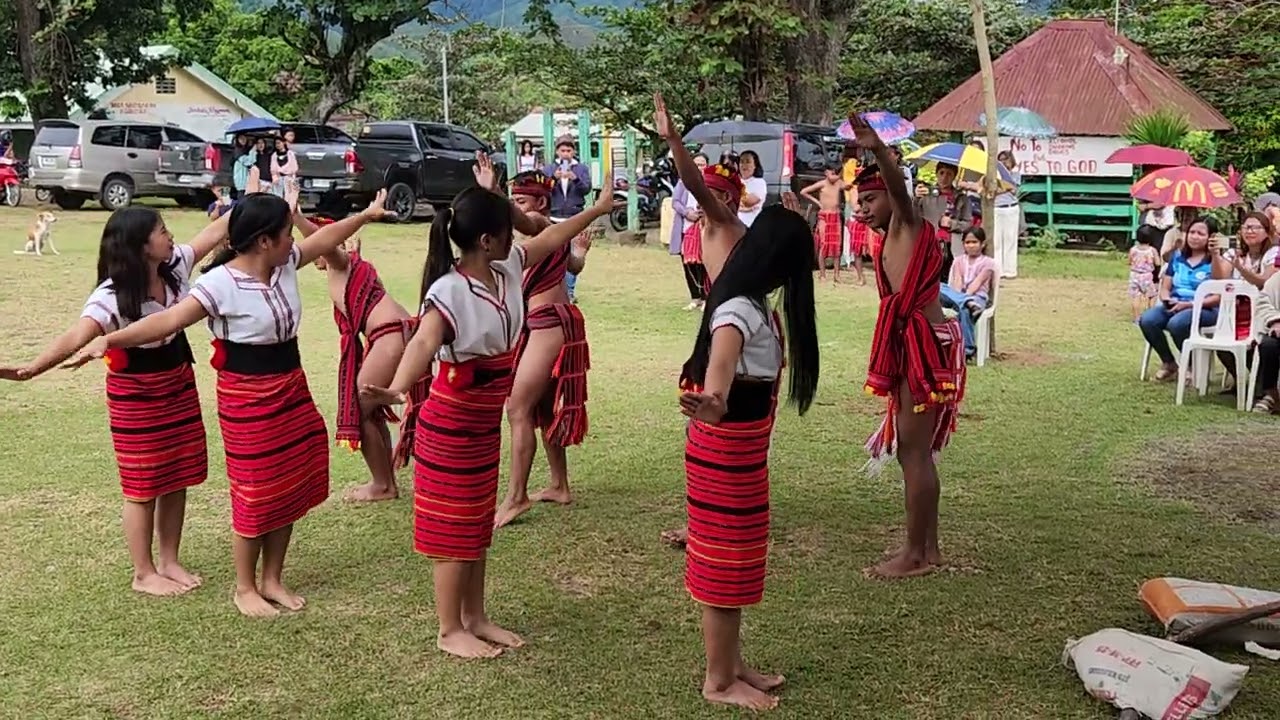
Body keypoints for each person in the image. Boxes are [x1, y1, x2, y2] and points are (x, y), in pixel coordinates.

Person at [65, 191, 395, 617]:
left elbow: (327, 236)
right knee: (256, 489)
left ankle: (272, 578)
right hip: (246, 396)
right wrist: (109, 340)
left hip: (291, 386)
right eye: (284, 233)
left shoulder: (285, 265)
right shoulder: (217, 283)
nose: (291, 241)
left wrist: (365, 215)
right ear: (263, 241)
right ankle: (245, 587)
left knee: (290, 481)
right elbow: (167, 320)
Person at [358, 186, 613, 658]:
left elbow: (553, 235)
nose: (518, 237)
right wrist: (396, 388)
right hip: (450, 424)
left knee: (475, 524)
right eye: (508, 230)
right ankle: (449, 628)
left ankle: (475, 616)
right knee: (452, 529)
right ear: (487, 240)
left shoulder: (506, 268)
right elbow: (422, 344)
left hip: (480, 426)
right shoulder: (450, 291)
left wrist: (595, 211)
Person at [0, 210, 231, 597]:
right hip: (135, 393)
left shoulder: (173, 265)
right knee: (142, 485)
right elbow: (78, 334)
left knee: (178, 476)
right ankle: (144, 572)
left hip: (177, 380)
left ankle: (169, 560)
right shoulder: (111, 295)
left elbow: (214, 231)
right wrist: (31, 369)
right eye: (161, 231)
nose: (170, 236)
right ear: (140, 246)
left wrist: (252, 199)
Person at [677, 202, 819, 711]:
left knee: (737, 563)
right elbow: (718, 381)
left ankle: (731, 663)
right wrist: (711, 404)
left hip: (741, 456)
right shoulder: (736, 312)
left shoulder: (754, 304)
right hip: (724, 456)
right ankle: (718, 681)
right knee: (722, 565)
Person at [847, 112, 967, 579]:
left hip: (923, 347)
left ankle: (915, 555)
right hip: (919, 343)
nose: (862, 210)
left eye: (869, 199)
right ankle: (929, 547)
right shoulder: (893, 235)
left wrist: (878, 151)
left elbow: (898, 190)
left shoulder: (907, 224)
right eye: (859, 202)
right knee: (917, 452)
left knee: (913, 453)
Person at [653, 92, 752, 548]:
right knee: (711, 426)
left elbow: (694, 184)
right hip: (729, 322)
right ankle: (706, 520)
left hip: (736, 327)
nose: (706, 200)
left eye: (715, 194)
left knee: (713, 423)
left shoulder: (726, 223)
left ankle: (711, 524)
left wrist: (674, 140)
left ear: (727, 199)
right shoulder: (718, 228)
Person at [480, 161, 594, 529]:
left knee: (517, 407)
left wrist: (493, 193)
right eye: (513, 200)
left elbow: (523, 222)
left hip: (548, 323)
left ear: (541, 205)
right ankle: (559, 485)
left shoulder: (542, 226)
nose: (516, 207)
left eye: (521, 200)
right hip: (549, 322)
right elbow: (573, 265)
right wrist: (582, 251)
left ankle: (516, 497)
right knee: (542, 408)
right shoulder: (554, 234)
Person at [295, 210, 428, 502]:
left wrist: (295, 217)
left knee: (360, 403)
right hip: (399, 333)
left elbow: (323, 242)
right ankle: (385, 481)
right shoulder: (351, 264)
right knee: (368, 406)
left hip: (390, 336)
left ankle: (383, 485)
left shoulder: (341, 263)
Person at [1138, 216, 1219, 382]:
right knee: (1148, 320)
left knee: (1177, 324)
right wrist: (1167, 299)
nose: (1195, 237)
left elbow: (1218, 297)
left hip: (1204, 308)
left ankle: (1190, 364)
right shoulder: (1178, 257)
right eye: (1192, 232)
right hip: (1175, 303)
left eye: (1201, 234)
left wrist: (1189, 304)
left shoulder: (1216, 262)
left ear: (1211, 237)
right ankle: (1169, 363)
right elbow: (1166, 287)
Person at [1210, 211, 1277, 390]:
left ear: (1266, 232)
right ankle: (1244, 384)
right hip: (1235, 313)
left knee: (1261, 345)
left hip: (1262, 312)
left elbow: (1264, 281)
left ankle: (1263, 385)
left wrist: (1241, 268)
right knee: (1223, 345)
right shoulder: (1235, 252)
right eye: (1246, 227)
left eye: (1255, 227)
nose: (1250, 231)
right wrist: (1216, 255)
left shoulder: (1274, 253)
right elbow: (1220, 278)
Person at [543, 135, 592, 303]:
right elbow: (542, 191)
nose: (565, 154)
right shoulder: (549, 169)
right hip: (554, 217)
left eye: (569, 150)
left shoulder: (581, 169)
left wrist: (575, 178)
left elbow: (587, 189)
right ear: (557, 151)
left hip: (574, 217)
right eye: (563, 150)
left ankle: (569, 292)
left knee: (573, 255)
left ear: (573, 151)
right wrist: (552, 179)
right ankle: (554, 289)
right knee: (554, 256)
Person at [939, 228, 996, 359]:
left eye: (974, 242)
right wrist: (962, 298)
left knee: (965, 310)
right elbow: (957, 282)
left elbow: (977, 283)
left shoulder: (988, 263)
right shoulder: (959, 260)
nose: (971, 246)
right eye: (967, 242)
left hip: (977, 298)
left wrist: (965, 298)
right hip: (958, 297)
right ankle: (967, 303)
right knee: (937, 286)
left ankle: (967, 350)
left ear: (982, 244)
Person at [671, 153, 711, 310]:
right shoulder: (683, 182)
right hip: (686, 228)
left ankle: (707, 296)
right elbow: (675, 202)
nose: (699, 168)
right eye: (696, 164)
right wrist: (687, 212)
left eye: (702, 164)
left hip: (704, 229)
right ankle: (695, 297)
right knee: (688, 264)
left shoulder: (710, 183)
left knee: (705, 264)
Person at [801, 164, 850, 284]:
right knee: (823, 244)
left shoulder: (839, 183)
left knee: (837, 246)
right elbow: (804, 192)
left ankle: (836, 275)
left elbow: (850, 187)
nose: (834, 176)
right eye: (831, 174)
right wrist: (817, 201)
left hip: (836, 216)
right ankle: (822, 275)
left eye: (835, 174)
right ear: (826, 173)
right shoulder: (822, 184)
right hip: (824, 216)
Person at [1249, 270, 1280, 413]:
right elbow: (1263, 301)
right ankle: (1271, 395)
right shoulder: (1276, 279)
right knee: (1268, 345)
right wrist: (1275, 321)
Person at [993, 151, 1021, 279]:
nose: (1004, 162)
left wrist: (1002, 188)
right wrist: (1005, 188)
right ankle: (999, 269)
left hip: (1011, 208)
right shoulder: (994, 176)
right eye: (1001, 160)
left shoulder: (1015, 174)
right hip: (997, 208)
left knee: (1010, 239)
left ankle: (1010, 270)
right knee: (997, 241)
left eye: (1006, 159)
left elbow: (1013, 189)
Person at [1128, 225, 1162, 322]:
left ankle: (1136, 318)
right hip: (1147, 276)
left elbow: (1129, 261)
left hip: (1134, 275)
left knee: (1135, 297)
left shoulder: (1133, 249)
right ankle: (1151, 317)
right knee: (1152, 296)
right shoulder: (1152, 250)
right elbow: (1158, 262)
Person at [737, 151, 768, 228]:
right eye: (741, 162)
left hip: (752, 226)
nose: (744, 165)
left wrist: (734, 197)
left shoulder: (759, 182)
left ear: (755, 165)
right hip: (735, 226)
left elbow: (747, 202)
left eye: (748, 162)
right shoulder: (735, 180)